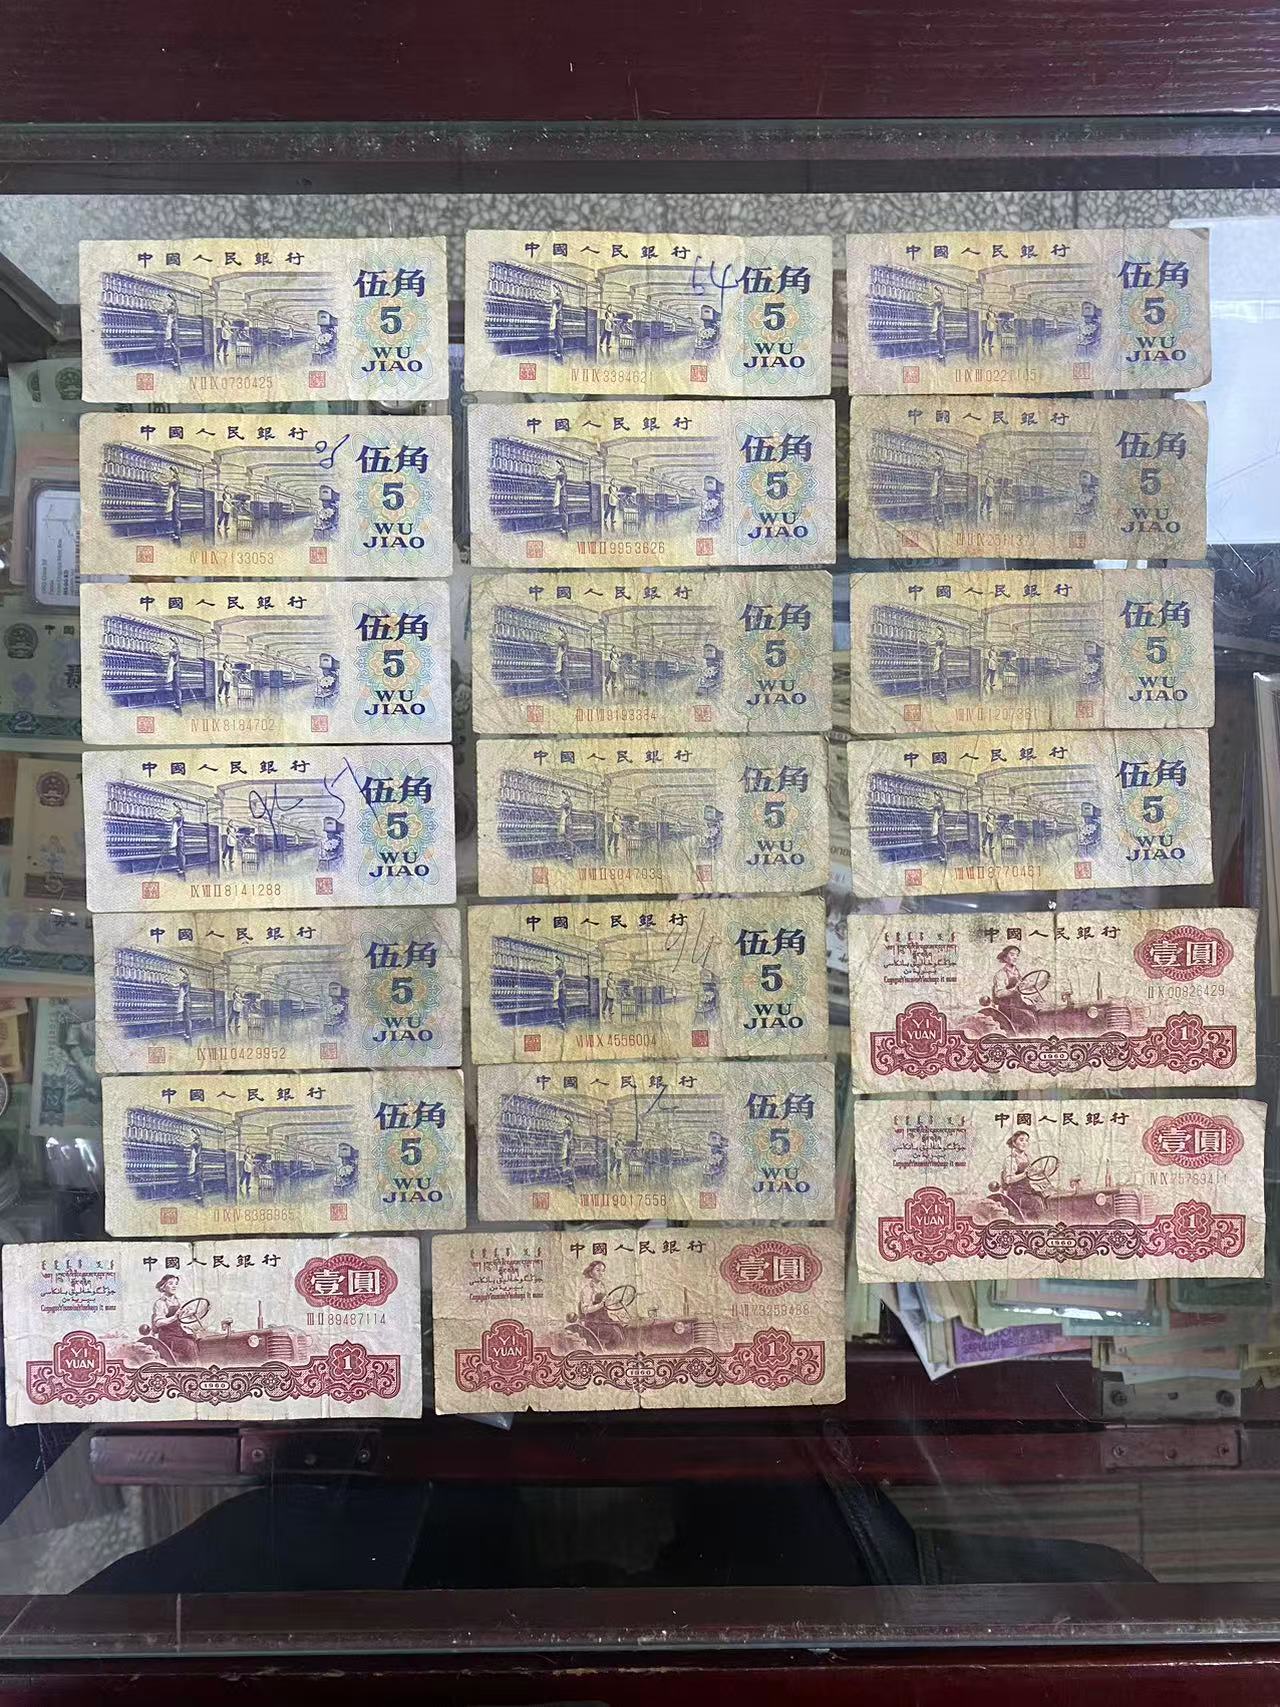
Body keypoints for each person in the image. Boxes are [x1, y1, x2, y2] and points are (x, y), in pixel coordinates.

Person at [997, 1130, 1053, 1219]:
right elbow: (1008, 1180)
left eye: (1026, 1140)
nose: (1024, 1143)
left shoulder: (1027, 1157)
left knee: (1048, 1198)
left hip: (1028, 1191)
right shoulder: (1010, 1160)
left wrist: (1042, 1171)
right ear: (1014, 1143)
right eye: (1021, 1140)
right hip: (1017, 1194)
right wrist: (1024, 1174)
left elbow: (1033, 1170)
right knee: (1036, 1202)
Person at [989, 944, 1042, 1033]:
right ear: (1005, 958)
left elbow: (1027, 987)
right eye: (1012, 955)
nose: (1015, 957)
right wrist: (1014, 990)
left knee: (1041, 1013)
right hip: (1009, 1007)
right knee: (1030, 1018)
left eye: (1017, 955)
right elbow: (999, 993)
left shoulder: (1019, 972)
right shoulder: (1001, 974)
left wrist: (1040, 982)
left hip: (1021, 1004)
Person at [576, 1259, 625, 1349]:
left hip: (604, 1320)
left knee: (622, 1327)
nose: (601, 1273)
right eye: (598, 1270)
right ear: (591, 1273)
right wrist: (601, 1305)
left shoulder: (603, 1287)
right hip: (593, 1323)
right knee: (615, 1332)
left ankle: (613, 1351)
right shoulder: (587, 1289)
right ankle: (610, 1352)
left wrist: (615, 1302)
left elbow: (607, 1306)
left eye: (603, 1271)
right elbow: (585, 1310)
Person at [150, 1274, 199, 1363]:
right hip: (168, 1337)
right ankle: (196, 1367)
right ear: (163, 1287)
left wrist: (190, 1313)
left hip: (179, 1333)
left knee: (198, 1340)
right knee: (189, 1345)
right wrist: (174, 1317)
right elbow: (158, 1323)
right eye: (170, 1283)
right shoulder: (160, 1303)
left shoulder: (179, 1301)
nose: (174, 1286)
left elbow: (183, 1316)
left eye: (176, 1284)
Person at [160, 293, 180, 372]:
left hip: (173, 328)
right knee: (173, 345)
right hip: (173, 328)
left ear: (172, 299)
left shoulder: (173, 307)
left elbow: (166, 313)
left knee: (174, 345)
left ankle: (176, 361)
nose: (167, 300)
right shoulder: (174, 307)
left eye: (169, 298)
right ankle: (176, 361)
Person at [550, 460, 569, 537]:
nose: (556, 466)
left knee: (563, 512)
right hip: (562, 494)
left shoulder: (562, 473)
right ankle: (563, 527)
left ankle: (565, 529)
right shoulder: (561, 472)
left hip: (563, 495)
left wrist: (545, 474)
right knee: (561, 512)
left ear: (561, 465)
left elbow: (553, 476)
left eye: (557, 464)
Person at [548, 957, 568, 1030]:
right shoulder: (560, 968)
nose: (556, 962)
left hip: (561, 990)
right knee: (560, 1006)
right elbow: (551, 972)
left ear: (560, 961)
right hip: (560, 990)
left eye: (557, 961)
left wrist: (555, 978)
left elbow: (559, 977)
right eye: (556, 961)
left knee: (562, 1007)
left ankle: (563, 1022)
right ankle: (562, 1021)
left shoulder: (561, 969)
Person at [927, 791, 947, 864]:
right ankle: (942, 856)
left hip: (940, 824)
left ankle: (944, 857)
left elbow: (930, 808)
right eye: (934, 796)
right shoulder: (941, 804)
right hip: (940, 824)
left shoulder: (939, 804)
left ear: (939, 796)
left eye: (936, 796)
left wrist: (922, 805)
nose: (935, 797)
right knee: (940, 841)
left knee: (941, 841)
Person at [164, 468, 182, 544]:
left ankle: (178, 534)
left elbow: (166, 484)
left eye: (171, 471)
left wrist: (157, 479)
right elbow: (165, 484)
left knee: (176, 518)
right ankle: (175, 533)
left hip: (176, 501)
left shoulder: (175, 480)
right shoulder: (173, 480)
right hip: (174, 501)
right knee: (174, 518)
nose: (170, 472)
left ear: (174, 472)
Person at [168, 803, 186, 877]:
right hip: (177, 836)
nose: (174, 809)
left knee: (180, 852)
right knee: (178, 853)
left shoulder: (180, 816)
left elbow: (171, 818)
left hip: (180, 836)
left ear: (178, 808)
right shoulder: (178, 815)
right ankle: (180, 867)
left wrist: (162, 816)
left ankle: (182, 869)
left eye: (175, 807)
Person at [175, 969, 193, 1045]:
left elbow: (177, 985)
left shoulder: (186, 981)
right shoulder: (184, 981)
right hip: (185, 1001)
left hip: (186, 1002)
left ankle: (189, 1034)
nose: (180, 974)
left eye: (181, 972)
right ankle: (187, 1033)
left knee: (187, 1018)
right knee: (185, 1018)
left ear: (184, 974)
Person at [553, 628, 570, 701]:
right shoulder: (562, 640)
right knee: (562, 678)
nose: (559, 633)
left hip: (564, 661)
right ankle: (563, 692)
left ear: (563, 633)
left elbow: (559, 643)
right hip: (562, 661)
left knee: (565, 678)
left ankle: (566, 693)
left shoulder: (564, 641)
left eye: (560, 632)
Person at [547, 286, 564, 362]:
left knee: (559, 335)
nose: (553, 290)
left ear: (558, 289)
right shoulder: (557, 297)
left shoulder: (560, 297)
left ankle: (560, 352)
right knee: (556, 335)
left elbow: (557, 305)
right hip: (556, 318)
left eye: (555, 289)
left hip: (558, 318)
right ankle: (558, 351)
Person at [930, 287, 947, 361]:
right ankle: (941, 353)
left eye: (936, 291)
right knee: (940, 338)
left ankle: (942, 354)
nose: (935, 293)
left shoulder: (940, 300)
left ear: (939, 292)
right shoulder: (940, 299)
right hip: (940, 321)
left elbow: (931, 303)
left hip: (940, 321)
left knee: (940, 338)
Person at [186, 1136, 203, 1204]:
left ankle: (200, 1195)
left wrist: (180, 1142)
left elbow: (188, 1144)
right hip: (197, 1163)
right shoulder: (198, 1142)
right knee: (197, 1179)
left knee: (199, 1180)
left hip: (198, 1163)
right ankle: (198, 1194)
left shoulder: (197, 1142)